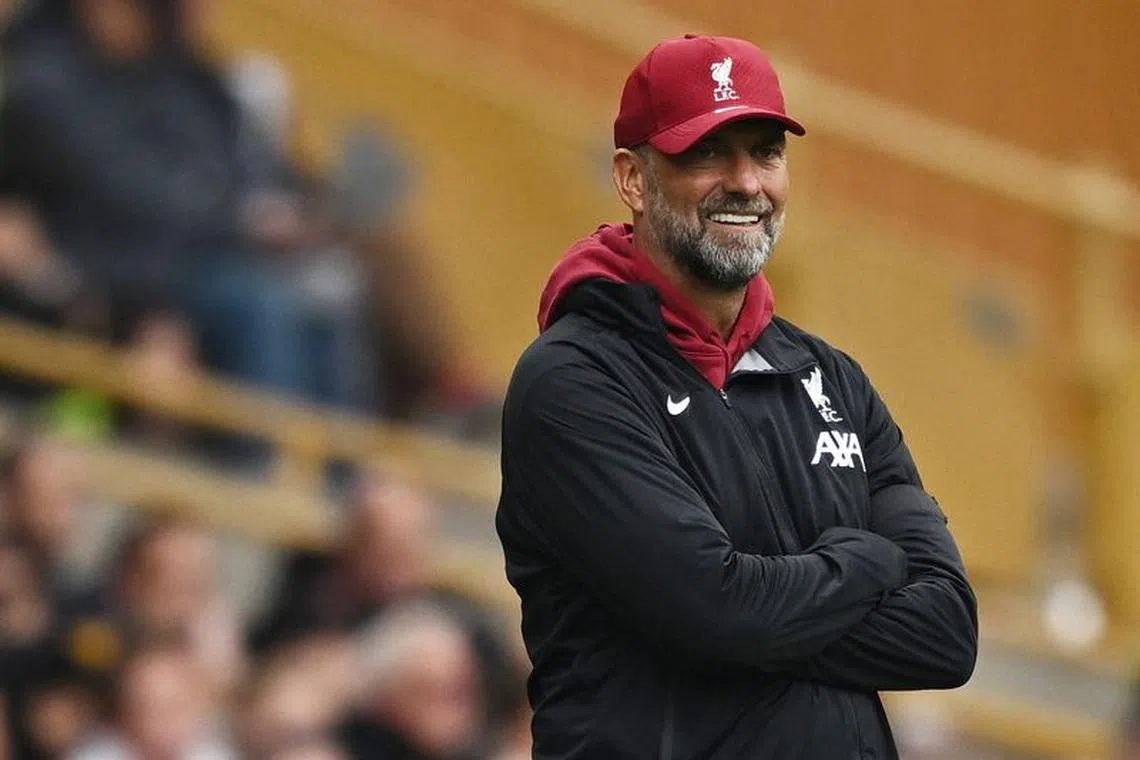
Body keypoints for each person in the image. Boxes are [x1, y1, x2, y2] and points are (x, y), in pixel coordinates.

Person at [494, 34, 978, 760]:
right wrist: (868, 560)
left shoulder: (833, 379)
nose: (747, 182)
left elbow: (945, 636)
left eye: (766, 151)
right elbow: (717, 612)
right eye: (708, 153)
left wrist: (759, 615)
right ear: (632, 178)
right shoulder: (573, 381)